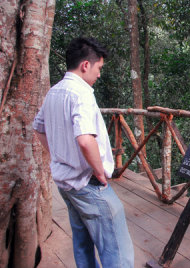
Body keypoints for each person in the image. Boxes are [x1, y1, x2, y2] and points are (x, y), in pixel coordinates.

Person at [33, 37, 134, 268]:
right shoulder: (82, 93)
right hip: (88, 183)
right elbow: (86, 140)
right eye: (99, 68)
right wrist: (100, 173)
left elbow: (38, 127)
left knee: (82, 243)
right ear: (86, 65)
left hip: (65, 183)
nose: (99, 74)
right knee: (117, 250)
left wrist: (59, 155)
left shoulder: (54, 92)